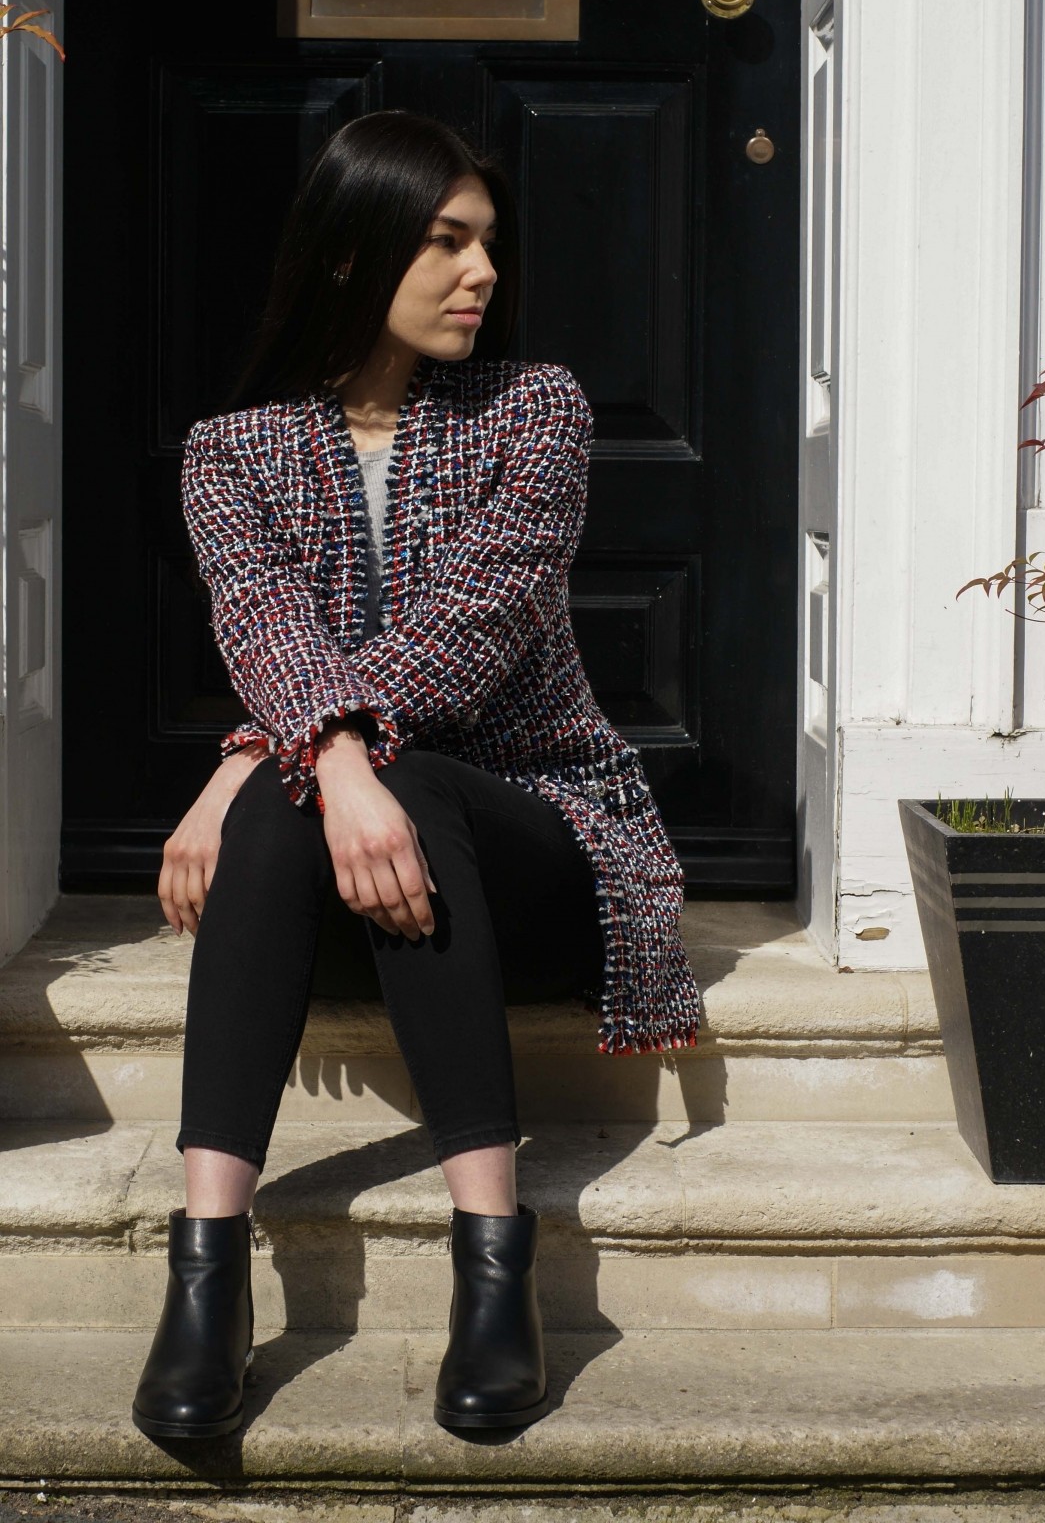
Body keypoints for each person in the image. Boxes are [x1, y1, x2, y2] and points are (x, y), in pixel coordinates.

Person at [131, 110, 700, 1443]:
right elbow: (261, 625)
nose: (481, 272)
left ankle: (494, 1261)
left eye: (487, 243)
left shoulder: (536, 410)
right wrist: (308, 757)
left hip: (543, 838)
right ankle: (209, 1270)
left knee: (383, 783)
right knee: (314, 793)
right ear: (350, 253)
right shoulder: (232, 450)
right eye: (446, 241)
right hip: (346, 866)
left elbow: (469, 636)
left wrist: (261, 753)